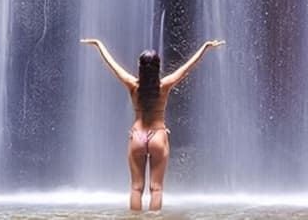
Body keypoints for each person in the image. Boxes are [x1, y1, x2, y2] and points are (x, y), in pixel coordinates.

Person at [80, 37, 224, 211]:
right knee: (156, 189)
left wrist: (98, 44)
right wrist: (205, 47)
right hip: (158, 136)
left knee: (136, 188)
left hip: (137, 136)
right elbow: (187, 68)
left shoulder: (132, 84)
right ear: (157, 68)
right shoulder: (165, 86)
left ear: (140, 67)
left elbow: (112, 64)